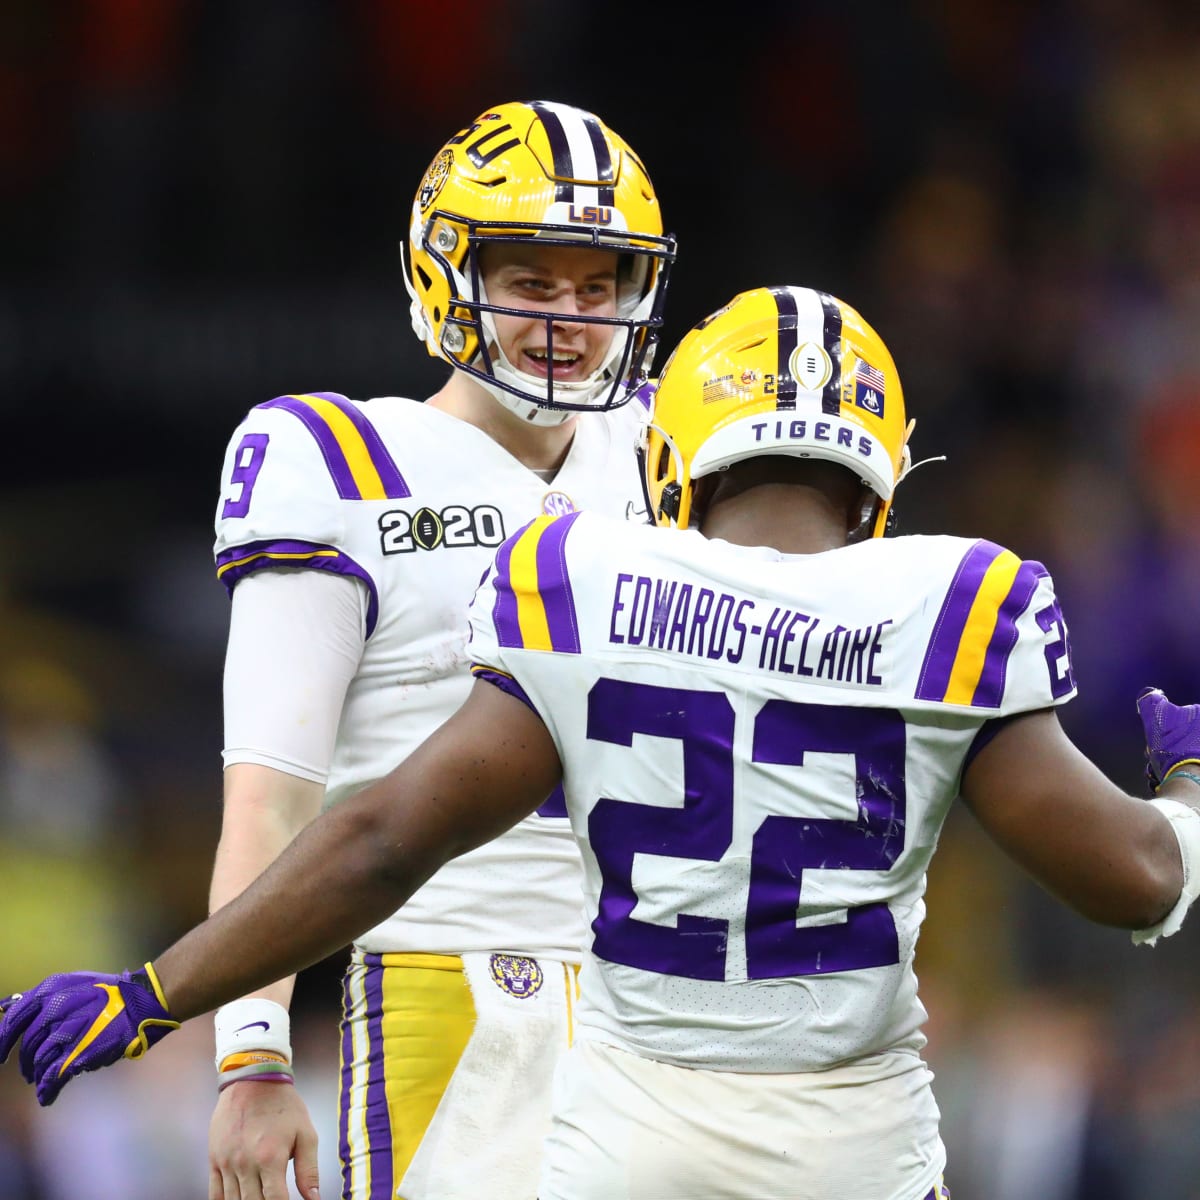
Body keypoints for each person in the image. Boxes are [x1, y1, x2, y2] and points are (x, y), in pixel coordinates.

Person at [4, 285, 1200, 1200]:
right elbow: (1138, 882)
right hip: (859, 1141)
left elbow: (376, 843)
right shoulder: (956, 599)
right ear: (883, 472)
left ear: (670, 454)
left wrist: (160, 994)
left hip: (634, 1136)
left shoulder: (585, 577)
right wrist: (1189, 786)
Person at [184, 98, 674, 1200]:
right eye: (532, 283)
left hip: (680, 1000)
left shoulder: (671, 453)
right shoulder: (338, 460)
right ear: (446, 276)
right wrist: (251, 1053)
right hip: (457, 986)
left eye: (599, 286)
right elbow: (271, 797)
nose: (570, 318)